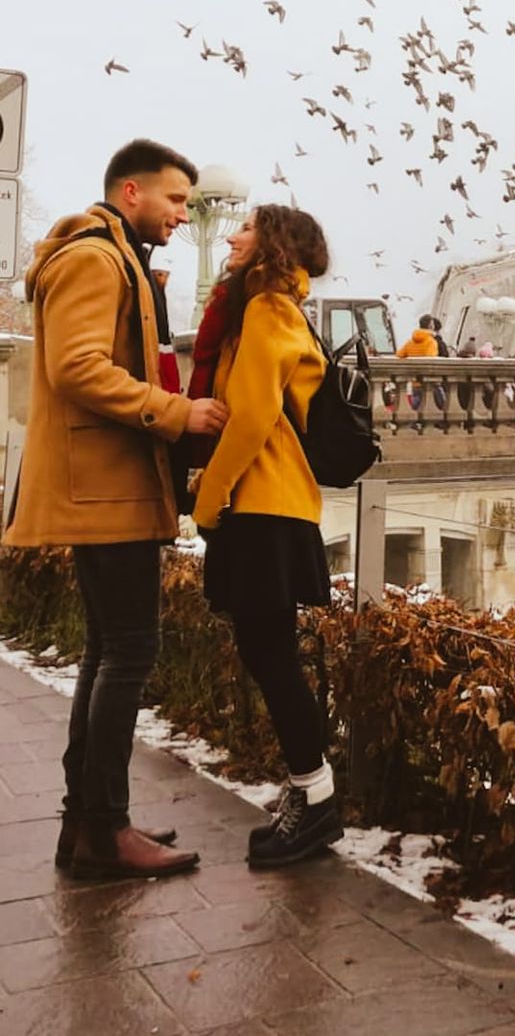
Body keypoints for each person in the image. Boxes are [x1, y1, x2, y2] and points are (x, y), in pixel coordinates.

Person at [5, 139, 227, 879]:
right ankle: (104, 829)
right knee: (129, 651)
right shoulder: (96, 260)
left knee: (110, 651)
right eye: (175, 200)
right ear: (132, 191)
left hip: (108, 486)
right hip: (106, 489)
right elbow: (77, 367)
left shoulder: (110, 256)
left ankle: (89, 824)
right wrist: (177, 412)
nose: (183, 215)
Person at [191, 204, 342, 869]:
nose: (231, 234)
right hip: (270, 503)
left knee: (272, 657)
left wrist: (209, 498)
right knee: (270, 654)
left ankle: (317, 796)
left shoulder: (268, 308)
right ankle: (311, 790)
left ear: (271, 243)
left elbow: (251, 417)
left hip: (263, 504)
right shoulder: (272, 307)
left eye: (246, 227)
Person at [396, 313, 446, 409]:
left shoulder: (410, 342)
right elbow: (430, 362)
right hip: (430, 383)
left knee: (416, 409)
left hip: (415, 382)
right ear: (431, 326)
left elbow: (399, 355)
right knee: (443, 407)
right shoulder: (431, 342)